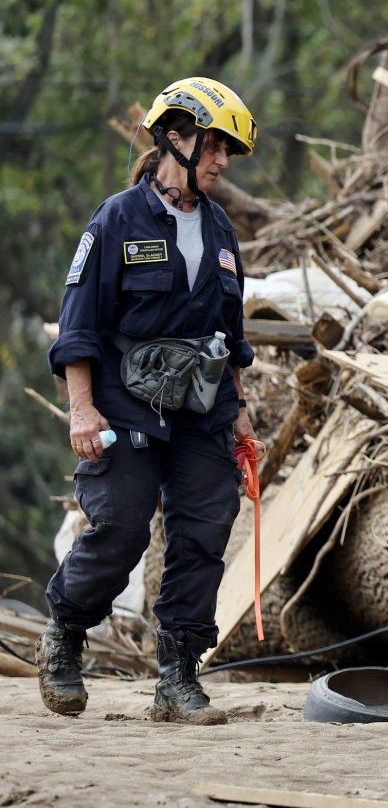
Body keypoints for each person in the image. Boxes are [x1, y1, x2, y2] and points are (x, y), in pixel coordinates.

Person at [39, 77, 259, 725]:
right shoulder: (115, 221)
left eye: (227, 151)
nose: (221, 161)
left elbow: (232, 339)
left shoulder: (220, 232)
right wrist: (83, 409)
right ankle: (67, 635)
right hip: (123, 409)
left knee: (202, 536)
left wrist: (240, 413)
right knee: (122, 528)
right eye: (215, 146)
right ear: (174, 137)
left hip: (202, 413)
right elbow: (77, 326)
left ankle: (178, 677)